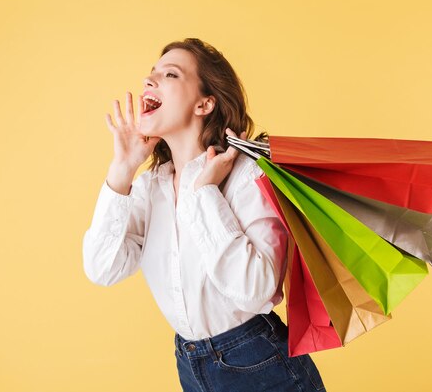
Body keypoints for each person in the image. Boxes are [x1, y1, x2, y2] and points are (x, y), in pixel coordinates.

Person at [82, 38, 327, 391]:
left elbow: (256, 291)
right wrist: (122, 168)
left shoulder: (248, 175)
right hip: (190, 363)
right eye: (150, 74)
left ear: (204, 103)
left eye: (170, 74)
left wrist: (205, 194)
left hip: (260, 364)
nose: (149, 82)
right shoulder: (152, 188)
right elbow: (102, 269)